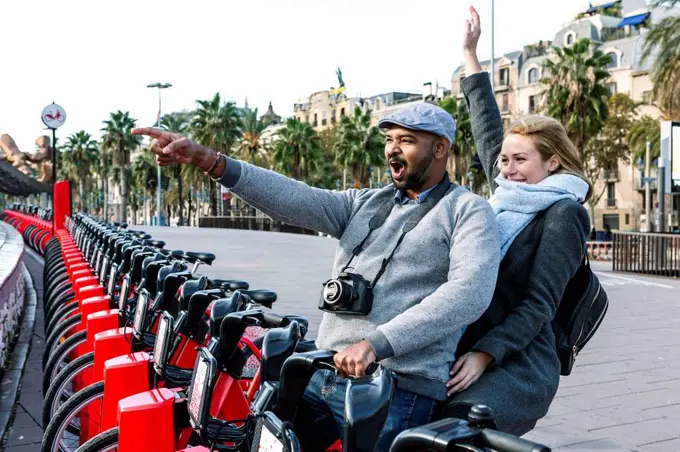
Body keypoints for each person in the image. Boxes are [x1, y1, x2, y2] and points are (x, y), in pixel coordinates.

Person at [132, 102, 501, 450]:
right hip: (322, 374)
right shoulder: (366, 203)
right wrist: (207, 160)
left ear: (439, 149)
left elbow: (470, 291)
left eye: (406, 140)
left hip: (396, 389)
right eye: (389, 139)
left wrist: (376, 343)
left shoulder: (468, 210)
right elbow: (294, 198)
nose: (392, 149)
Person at [438, 6, 592, 436]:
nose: (506, 168)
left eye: (520, 159)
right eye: (504, 159)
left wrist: (486, 354)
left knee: (453, 432)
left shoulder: (564, 213)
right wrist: (470, 54)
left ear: (553, 162)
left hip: (519, 362)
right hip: (467, 343)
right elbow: (487, 123)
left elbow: (540, 305)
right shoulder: (509, 191)